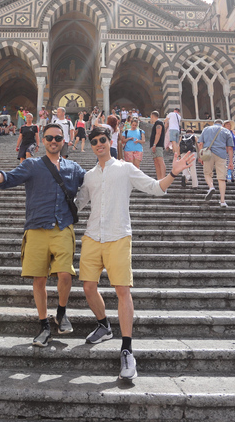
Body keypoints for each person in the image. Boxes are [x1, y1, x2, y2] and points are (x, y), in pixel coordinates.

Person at [76, 126, 196, 380]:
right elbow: (78, 204)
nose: (99, 144)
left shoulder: (126, 168)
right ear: (91, 145)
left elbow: (154, 187)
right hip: (91, 236)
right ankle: (104, 326)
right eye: (94, 141)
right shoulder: (88, 176)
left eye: (103, 140)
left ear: (111, 141)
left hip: (119, 235)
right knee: (88, 286)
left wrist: (173, 173)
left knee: (122, 291)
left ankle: (127, 349)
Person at [0, 124, 86, 347]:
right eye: (49, 137)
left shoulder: (74, 167)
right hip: (36, 227)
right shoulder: (32, 164)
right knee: (39, 279)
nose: (53, 140)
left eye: (58, 137)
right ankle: (43, 324)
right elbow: (7, 180)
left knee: (65, 275)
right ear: (44, 140)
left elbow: (94, 182)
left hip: (63, 227)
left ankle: (61, 313)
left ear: (64, 140)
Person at [197, 119, 234, 207]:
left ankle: (211, 187)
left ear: (213, 123)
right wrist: (231, 162)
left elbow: (200, 144)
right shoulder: (226, 131)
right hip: (221, 155)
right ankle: (222, 201)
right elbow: (230, 148)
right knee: (221, 178)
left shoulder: (206, 129)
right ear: (222, 124)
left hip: (208, 154)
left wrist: (200, 156)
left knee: (207, 173)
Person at [149, 111, 166, 180]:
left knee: (160, 161)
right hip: (155, 146)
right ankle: (159, 180)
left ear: (152, 116)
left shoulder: (159, 123)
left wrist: (154, 144)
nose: (150, 119)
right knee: (156, 162)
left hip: (158, 145)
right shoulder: (156, 123)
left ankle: (163, 179)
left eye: (151, 117)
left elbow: (158, 133)